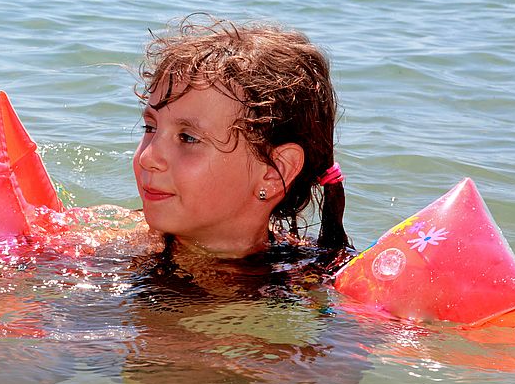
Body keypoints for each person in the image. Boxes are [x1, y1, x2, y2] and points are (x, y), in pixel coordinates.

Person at [133, 14, 352, 264]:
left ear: (274, 171)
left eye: (188, 138)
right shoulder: (99, 254)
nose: (147, 157)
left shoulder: (310, 281)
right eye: (150, 128)